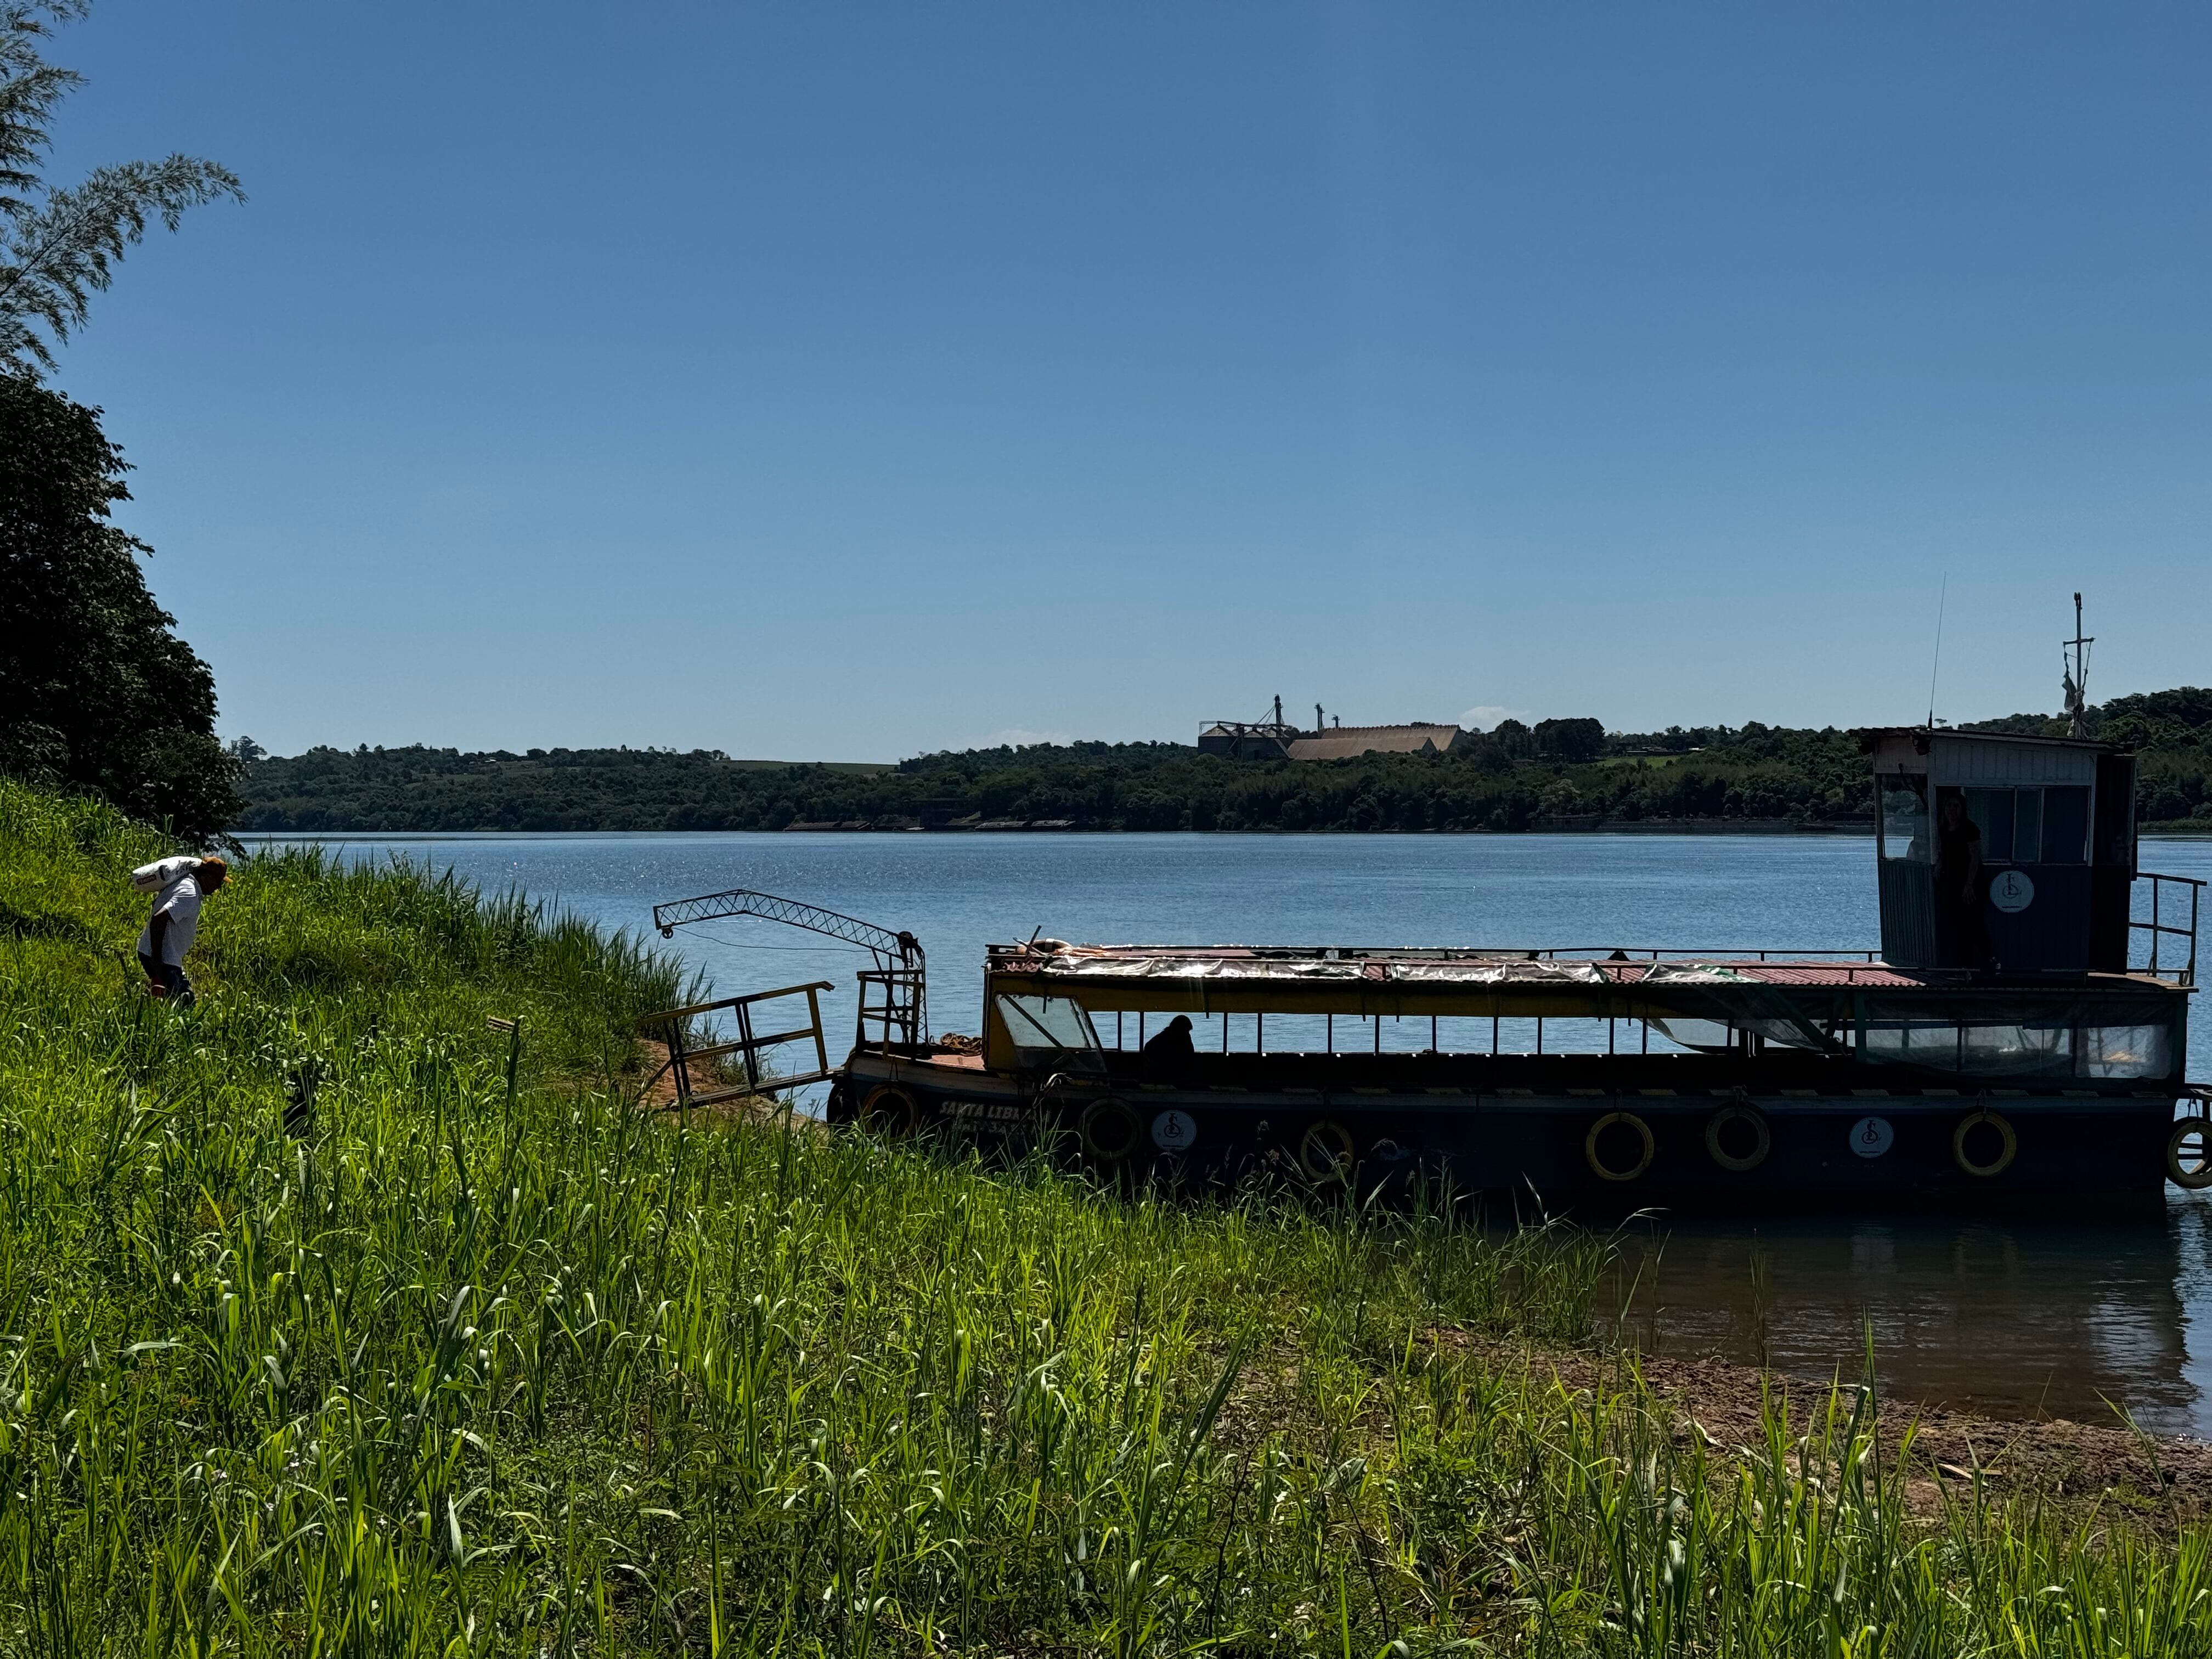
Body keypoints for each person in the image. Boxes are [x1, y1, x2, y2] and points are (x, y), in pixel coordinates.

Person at [133, 854, 226, 1006]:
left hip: (165, 956)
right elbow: (158, 919)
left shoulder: (185, 882)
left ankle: (147, 1011)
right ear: (206, 877)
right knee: (185, 1003)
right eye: (218, 882)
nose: (218, 888)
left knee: (173, 1001)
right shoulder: (189, 893)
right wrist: (157, 962)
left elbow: (157, 905)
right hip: (162, 958)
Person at [1934, 793, 1991, 972]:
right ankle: (1962, 965)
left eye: (1956, 806)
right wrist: (1939, 865)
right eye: (1949, 806)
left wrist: (1969, 885)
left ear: (1962, 809)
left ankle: (1988, 961)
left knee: (1974, 923)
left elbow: (1975, 857)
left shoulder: (1970, 829)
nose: (1952, 810)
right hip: (1951, 882)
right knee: (1957, 924)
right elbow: (1945, 853)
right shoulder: (1944, 829)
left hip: (1970, 883)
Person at [1141, 1013, 1198, 1084]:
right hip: (1162, 1073)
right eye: (1186, 1031)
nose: (1188, 1033)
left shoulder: (1164, 1037)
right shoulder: (1166, 1039)